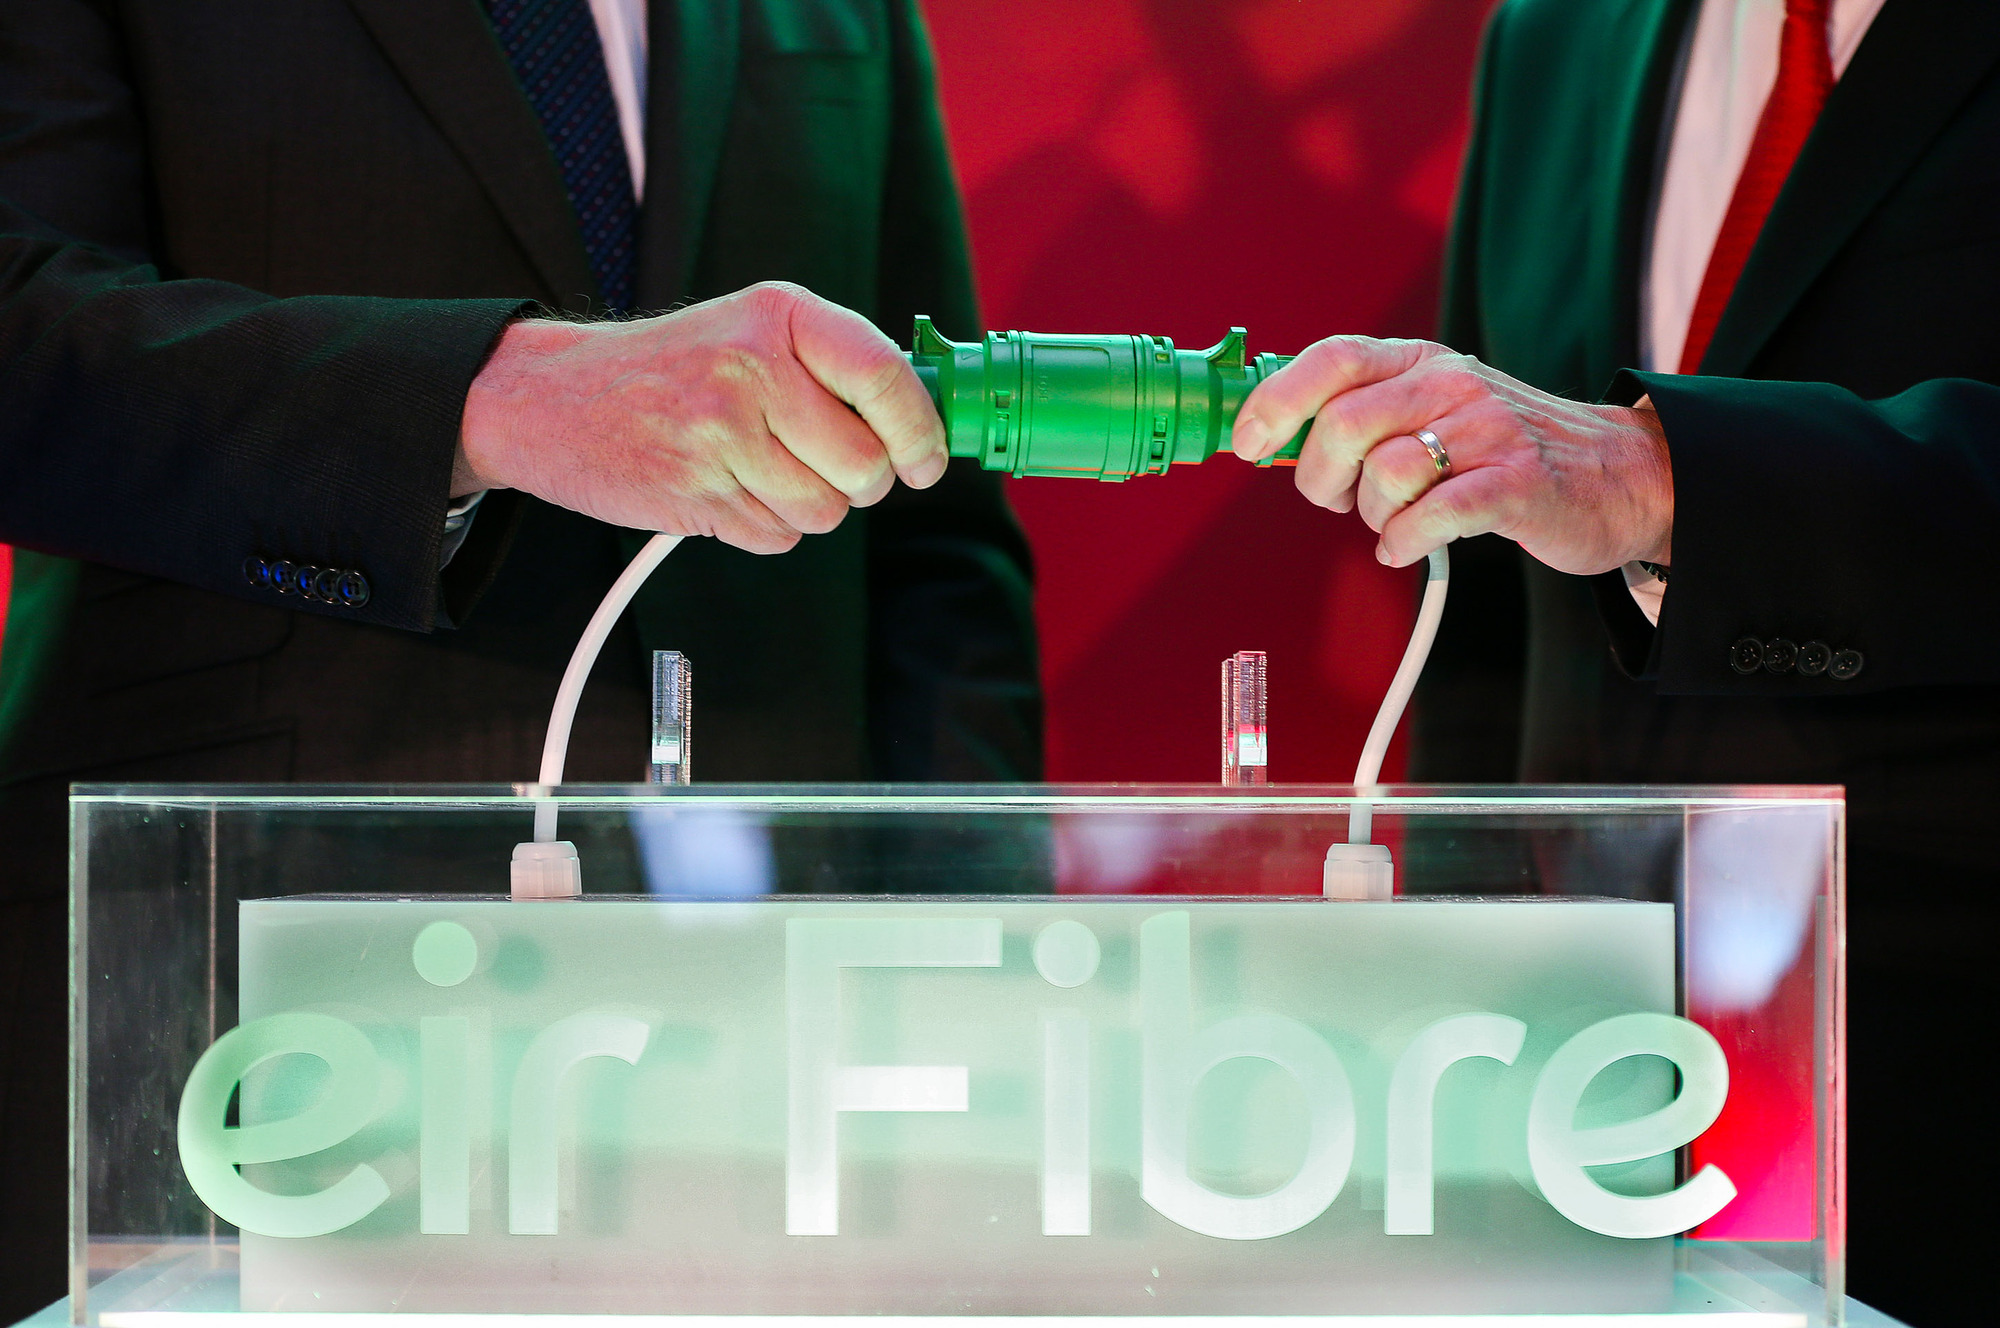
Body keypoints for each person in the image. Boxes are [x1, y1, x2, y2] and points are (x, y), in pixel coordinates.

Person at [0, 0, 1038, 1316]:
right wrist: (494, 397)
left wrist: (984, 972)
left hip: (779, 1024)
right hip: (237, 986)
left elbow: (932, 532)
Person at [1234, 0, 1998, 1320]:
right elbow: (1481, 624)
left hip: (1947, 1128)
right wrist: (1450, 1057)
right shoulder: (1555, 34)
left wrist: (1662, 474)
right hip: (1573, 1133)